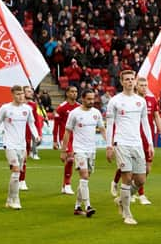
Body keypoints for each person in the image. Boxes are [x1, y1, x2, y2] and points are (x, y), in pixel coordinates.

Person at [106, 70, 154, 225]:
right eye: (126, 79)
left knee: (141, 179)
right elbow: (110, 124)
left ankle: (121, 199)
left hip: (138, 143)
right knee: (127, 177)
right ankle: (127, 214)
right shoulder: (115, 101)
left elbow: (145, 123)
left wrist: (150, 143)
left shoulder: (140, 101)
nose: (129, 82)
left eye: (132, 79)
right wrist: (109, 145)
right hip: (121, 143)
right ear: (121, 82)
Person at [111, 77, 161, 204]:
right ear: (136, 86)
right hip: (131, 137)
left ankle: (131, 190)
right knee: (127, 167)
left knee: (147, 168)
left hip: (147, 137)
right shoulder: (129, 100)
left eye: (146, 85)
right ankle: (139, 193)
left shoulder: (151, 100)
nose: (144, 87)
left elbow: (156, 116)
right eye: (141, 85)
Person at [0, 85, 40, 210]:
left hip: (22, 145)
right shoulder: (5, 108)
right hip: (9, 144)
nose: (21, 96)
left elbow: (31, 124)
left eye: (22, 93)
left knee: (18, 171)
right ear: (12, 95)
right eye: (18, 94)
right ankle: (16, 199)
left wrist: (36, 135)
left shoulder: (27, 109)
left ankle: (9, 199)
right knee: (16, 171)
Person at [61, 89, 107, 217]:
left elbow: (102, 129)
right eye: (89, 99)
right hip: (79, 150)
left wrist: (109, 144)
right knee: (84, 176)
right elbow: (67, 132)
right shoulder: (75, 113)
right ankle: (88, 206)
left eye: (93, 99)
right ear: (82, 98)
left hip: (91, 150)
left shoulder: (96, 113)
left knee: (85, 180)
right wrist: (64, 150)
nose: (91, 101)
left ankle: (77, 207)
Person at [53, 86, 79, 195]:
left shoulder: (79, 107)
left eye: (76, 92)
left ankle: (64, 186)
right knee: (70, 159)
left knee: (73, 161)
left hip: (77, 138)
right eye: (72, 91)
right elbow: (56, 125)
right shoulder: (61, 108)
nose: (74, 93)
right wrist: (55, 140)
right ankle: (67, 184)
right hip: (65, 137)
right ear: (67, 93)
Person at [19, 85, 43, 191]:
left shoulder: (33, 105)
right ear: (23, 93)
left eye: (31, 91)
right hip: (16, 136)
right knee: (16, 160)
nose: (31, 93)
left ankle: (22, 181)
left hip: (28, 134)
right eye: (28, 91)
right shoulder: (15, 105)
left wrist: (38, 133)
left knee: (24, 158)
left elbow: (36, 121)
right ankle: (18, 178)